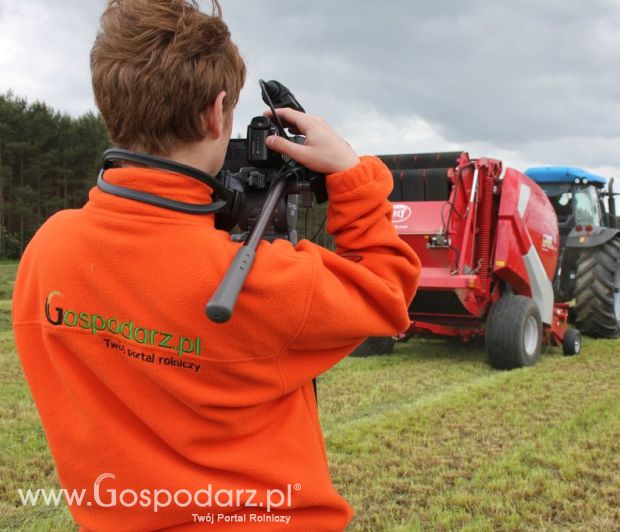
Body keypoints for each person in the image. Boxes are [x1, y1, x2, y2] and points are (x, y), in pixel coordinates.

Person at [11, 1, 420, 530]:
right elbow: (386, 291)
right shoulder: (262, 283)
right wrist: (350, 173)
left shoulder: (48, 249)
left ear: (109, 105)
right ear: (216, 112)